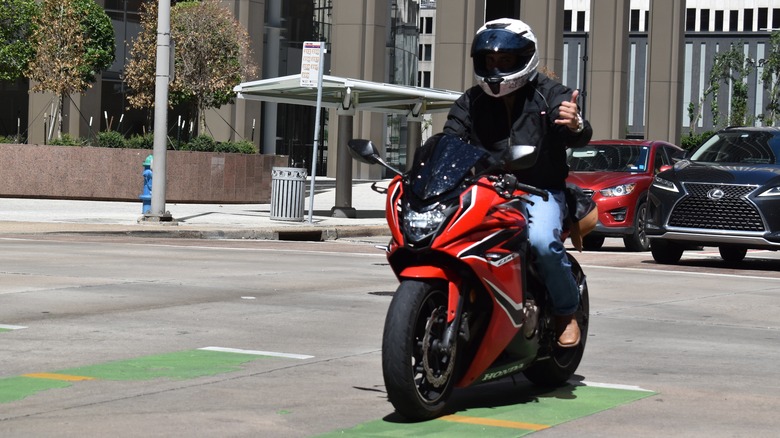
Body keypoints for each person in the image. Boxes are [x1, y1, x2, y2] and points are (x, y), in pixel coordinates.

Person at [442, 18, 593, 347]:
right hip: (485, 190)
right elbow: (449, 140)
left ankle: (566, 311)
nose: (496, 68)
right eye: (490, 61)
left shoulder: (550, 94)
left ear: (523, 59)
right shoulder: (471, 102)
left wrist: (576, 124)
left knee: (541, 243)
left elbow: (572, 130)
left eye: (505, 60)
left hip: (538, 189)